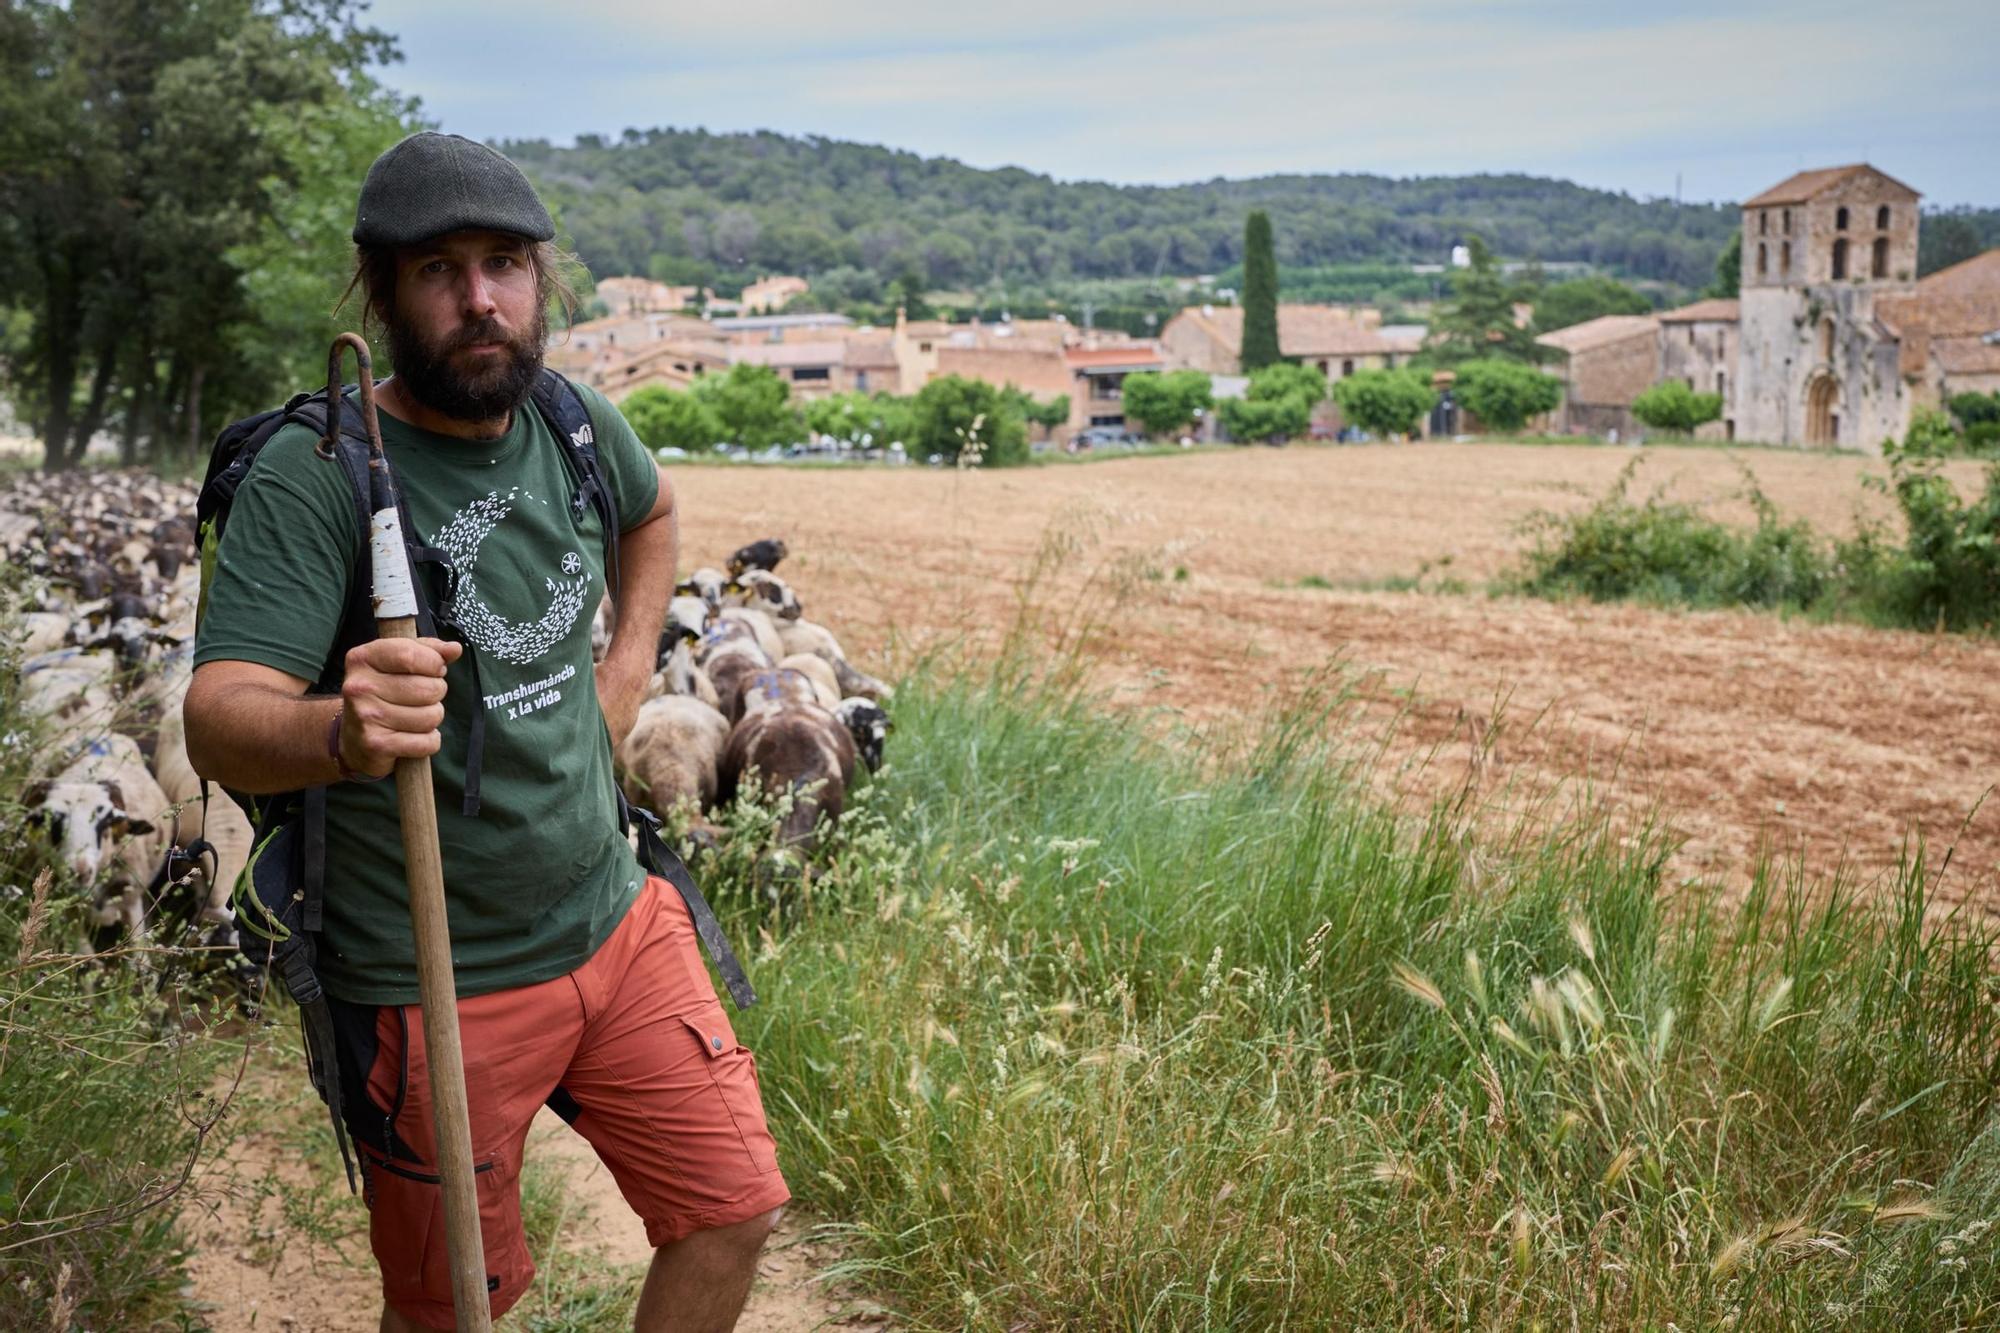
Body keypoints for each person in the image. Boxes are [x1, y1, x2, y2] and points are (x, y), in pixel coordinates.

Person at [183, 132, 789, 1332]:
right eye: (437, 270)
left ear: (541, 279)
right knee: (456, 1306)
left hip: (615, 920)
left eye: (504, 263)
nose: (479, 299)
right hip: (430, 979)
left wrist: (622, 672)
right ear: (379, 290)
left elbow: (654, 510)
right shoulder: (319, 478)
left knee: (731, 1213)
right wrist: (340, 731)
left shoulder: (568, 420)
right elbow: (217, 717)